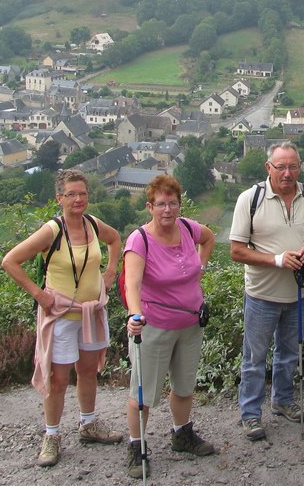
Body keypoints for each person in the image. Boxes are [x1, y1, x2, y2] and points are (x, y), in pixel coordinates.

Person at [1, 169, 123, 468]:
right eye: (71, 194)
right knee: (58, 379)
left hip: (91, 313)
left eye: (82, 193)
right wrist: (40, 295)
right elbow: (10, 261)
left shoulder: (93, 225)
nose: (78, 199)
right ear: (60, 198)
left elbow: (116, 239)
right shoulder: (52, 231)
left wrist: (109, 272)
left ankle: (88, 423)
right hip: (62, 317)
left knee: (88, 371)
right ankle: (52, 435)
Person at [230, 142, 304, 441]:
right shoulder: (250, 199)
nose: (287, 173)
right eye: (281, 167)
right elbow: (236, 250)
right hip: (262, 295)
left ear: (300, 167)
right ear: (268, 167)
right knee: (254, 358)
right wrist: (276, 260)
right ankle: (250, 415)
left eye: (293, 167)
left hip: (298, 294)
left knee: (289, 354)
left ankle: (283, 401)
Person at [123, 175, 217, 477]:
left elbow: (210, 237)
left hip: (190, 323)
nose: (167, 209)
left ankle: (182, 433)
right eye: (161, 204)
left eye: (172, 203)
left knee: (184, 385)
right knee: (144, 393)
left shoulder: (189, 228)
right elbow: (132, 285)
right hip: (155, 327)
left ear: (179, 205)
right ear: (150, 206)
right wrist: (135, 315)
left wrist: (199, 268)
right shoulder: (140, 239)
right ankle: (137, 448)